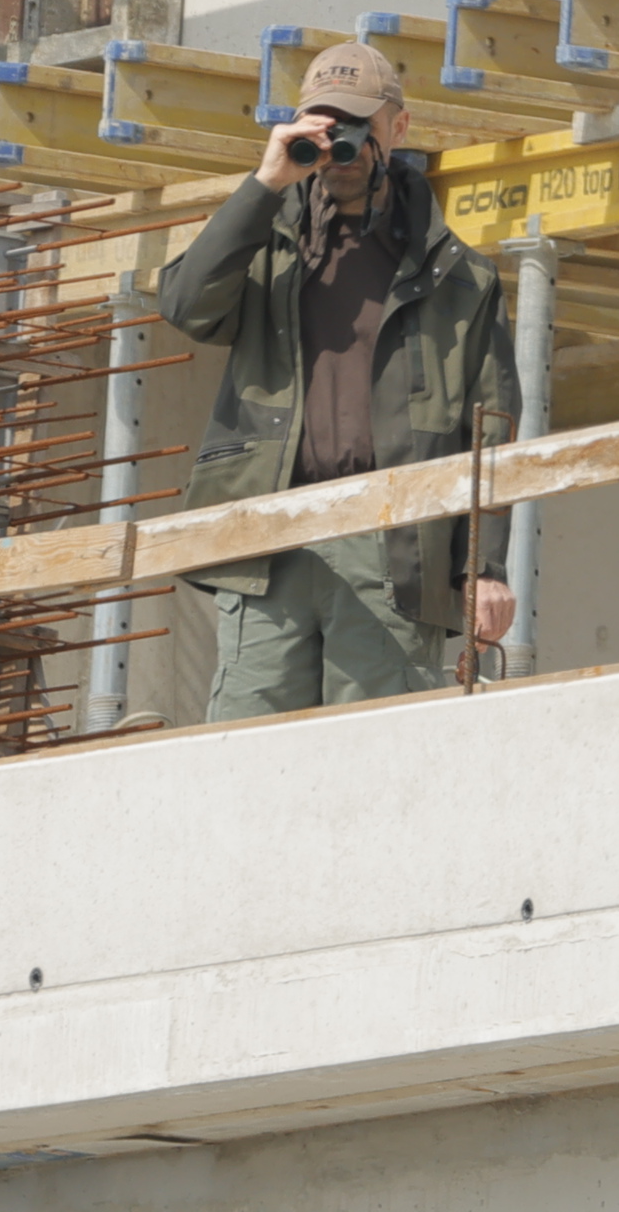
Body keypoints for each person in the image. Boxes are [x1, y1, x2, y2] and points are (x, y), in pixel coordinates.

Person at [156, 37, 511, 718]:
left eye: (358, 127)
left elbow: (490, 427)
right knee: (243, 749)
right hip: (270, 538)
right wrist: (265, 184)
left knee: (374, 752)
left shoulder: (460, 275)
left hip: (393, 543)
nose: (339, 145)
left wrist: (482, 568)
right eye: (324, 125)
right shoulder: (266, 240)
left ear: (397, 128)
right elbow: (185, 306)